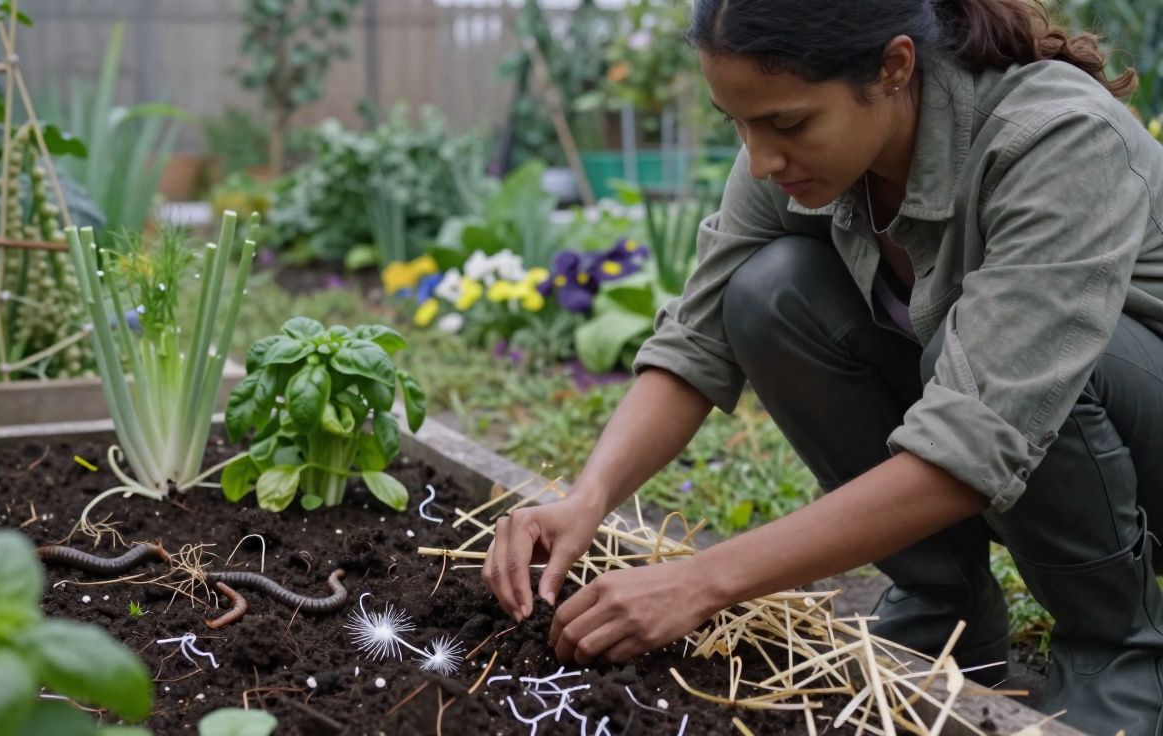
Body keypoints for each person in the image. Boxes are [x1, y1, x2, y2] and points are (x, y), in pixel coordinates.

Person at [481, 0, 1163, 732]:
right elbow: (698, 337)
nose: (761, 158)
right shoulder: (796, 154)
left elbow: (976, 439)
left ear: (894, 67)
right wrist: (587, 499)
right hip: (1022, 443)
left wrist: (701, 582)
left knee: (1005, 357)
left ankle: (1115, 648)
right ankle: (945, 605)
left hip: (1133, 438)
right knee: (767, 293)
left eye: (787, 124)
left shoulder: (1056, 140)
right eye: (737, 123)